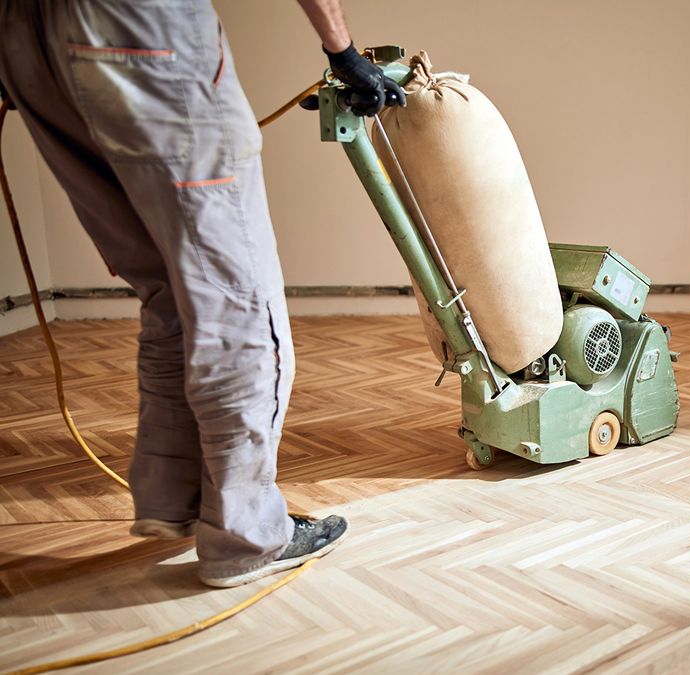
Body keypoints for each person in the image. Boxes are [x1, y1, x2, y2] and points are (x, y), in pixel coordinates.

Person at [0, 0, 401, 588]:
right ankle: (246, 540)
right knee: (236, 300)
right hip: (137, 26)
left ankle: (174, 499)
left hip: (24, 39)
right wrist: (342, 52)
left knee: (167, 288)